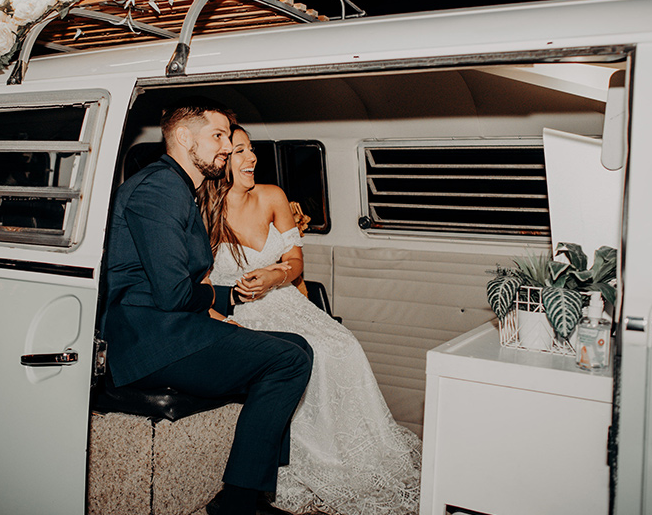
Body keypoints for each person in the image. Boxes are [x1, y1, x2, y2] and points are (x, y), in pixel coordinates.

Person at [101, 100, 313, 515]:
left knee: (298, 347)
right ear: (183, 138)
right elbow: (173, 293)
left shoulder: (179, 187)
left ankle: (251, 490)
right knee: (288, 359)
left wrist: (229, 296)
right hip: (150, 340)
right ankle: (238, 502)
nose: (225, 146)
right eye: (217, 136)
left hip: (172, 326)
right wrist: (226, 297)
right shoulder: (159, 189)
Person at [198, 125, 422, 515]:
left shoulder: (273, 196)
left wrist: (275, 276)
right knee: (308, 355)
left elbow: (296, 262)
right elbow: (195, 278)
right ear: (221, 162)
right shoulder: (202, 209)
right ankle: (302, 463)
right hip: (238, 308)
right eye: (239, 152)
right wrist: (216, 313)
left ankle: (357, 454)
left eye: (251, 150)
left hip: (284, 299)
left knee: (342, 345)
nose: (251, 158)